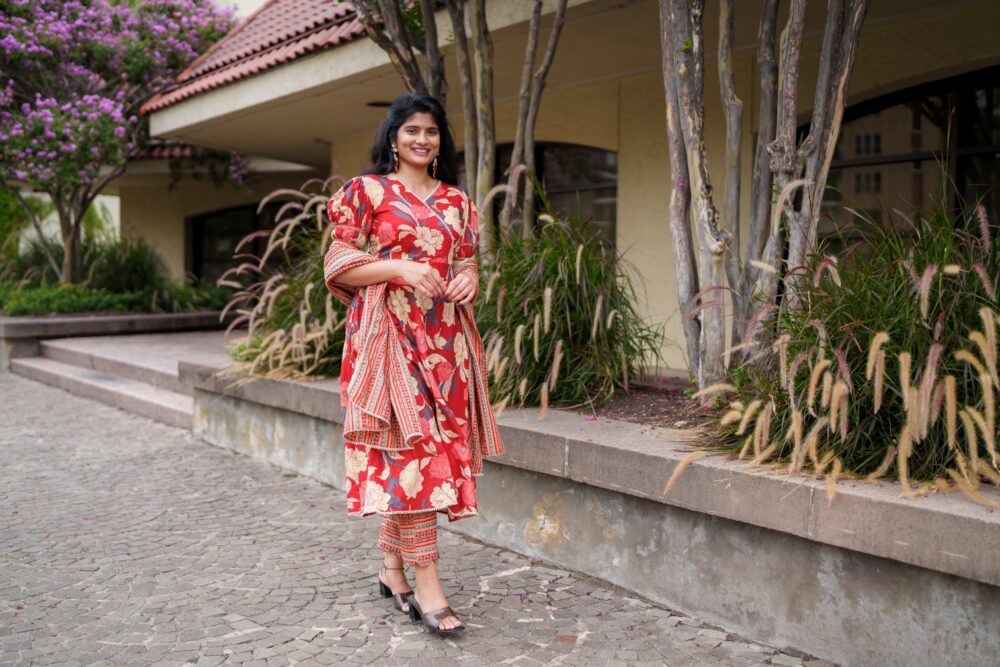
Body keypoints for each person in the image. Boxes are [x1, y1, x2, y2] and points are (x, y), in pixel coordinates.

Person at [323, 92, 504, 637]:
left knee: (422, 455)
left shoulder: (457, 201)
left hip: (447, 345)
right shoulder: (366, 192)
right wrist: (398, 266)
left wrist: (469, 279)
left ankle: (392, 568)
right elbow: (338, 264)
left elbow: (467, 260)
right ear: (393, 137)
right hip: (389, 338)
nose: (422, 140)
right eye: (411, 131)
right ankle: (429, 584)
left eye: (431, 131)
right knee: (416, 455)